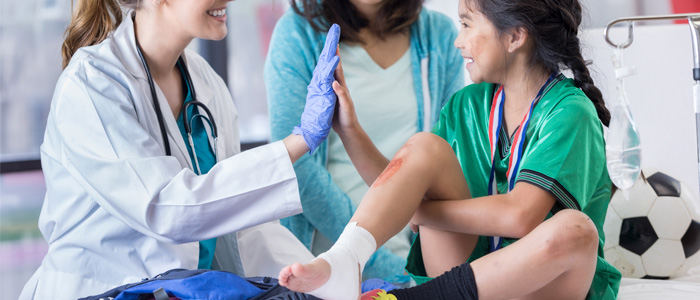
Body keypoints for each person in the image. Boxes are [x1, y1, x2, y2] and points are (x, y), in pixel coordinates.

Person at [278, 0, 622, 299]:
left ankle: (415, 299)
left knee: (576, 231)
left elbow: (520, 215)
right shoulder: (467, 105)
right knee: (425, 147)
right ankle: (346, 259)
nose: (458, 40)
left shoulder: (569, 111)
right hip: (463, 278)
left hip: (537, 289)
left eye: (467, 24)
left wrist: (418, 212)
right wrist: (349, 129)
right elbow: (398, 184)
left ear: (515, 36)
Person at [19, 0, 342, 299]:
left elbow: (242, 226)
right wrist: (300, 140)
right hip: (99, 290)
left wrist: (323, 281)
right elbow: (167, 207)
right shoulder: (92, 84)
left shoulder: (206, 81)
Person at [265, 0, 464, 280]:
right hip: (321, 259)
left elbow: (448, 169)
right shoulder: (297, 33)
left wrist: (415, 269)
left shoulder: (440, 35)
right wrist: (369, 257)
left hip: (419, 259)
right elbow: (295, 166)